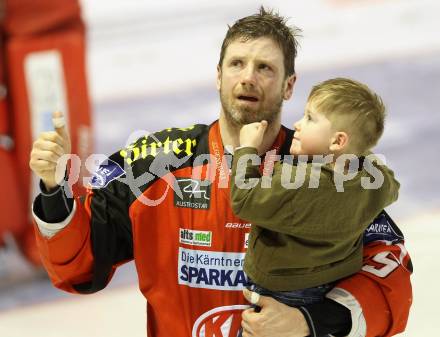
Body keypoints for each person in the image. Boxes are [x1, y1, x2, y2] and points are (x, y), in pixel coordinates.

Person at [29, 7, 412, 337]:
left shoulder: (330, 174)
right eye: (237, 64)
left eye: (265, 68)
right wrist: (53, 189)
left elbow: (391, 274)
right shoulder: (155, 162)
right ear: (218, 76)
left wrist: (310, 321)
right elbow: (77, 265)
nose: (248, 77)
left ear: (289, 85)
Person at [230, 78, 400, 334]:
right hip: (329, 286)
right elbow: (391, 183)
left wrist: (246, 149)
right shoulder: (372, 184)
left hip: (280, 292)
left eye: (310, 118)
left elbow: (244, 199)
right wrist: (355, 154)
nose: (298, 124)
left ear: (337, 141)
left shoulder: (301, 183)